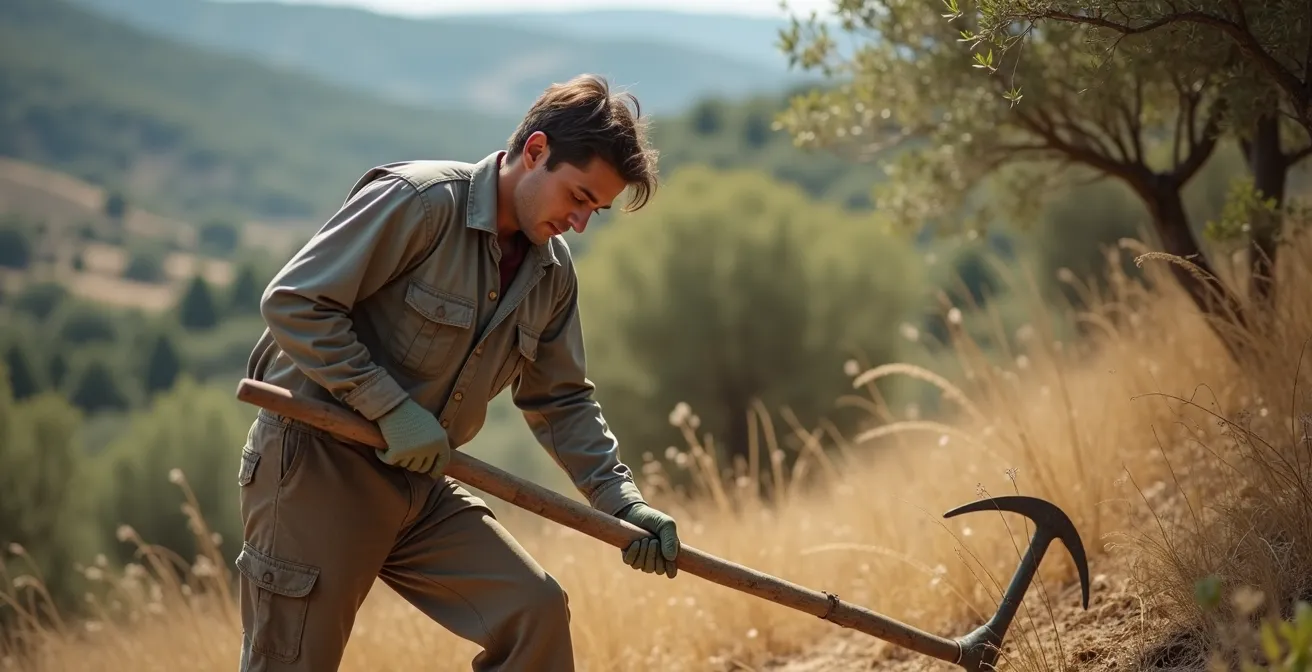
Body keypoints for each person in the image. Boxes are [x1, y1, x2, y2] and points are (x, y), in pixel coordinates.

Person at [235, 73, 681, 672]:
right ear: (535, 151)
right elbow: (293, 302)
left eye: (594, 210)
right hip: (316, 470)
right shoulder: (419, 203)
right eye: (578, 198)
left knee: (535, 612)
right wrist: (389, 407)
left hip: (422, 484)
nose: (581, 222)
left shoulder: (551, 275)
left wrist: (621, 504)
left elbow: (562, 400)